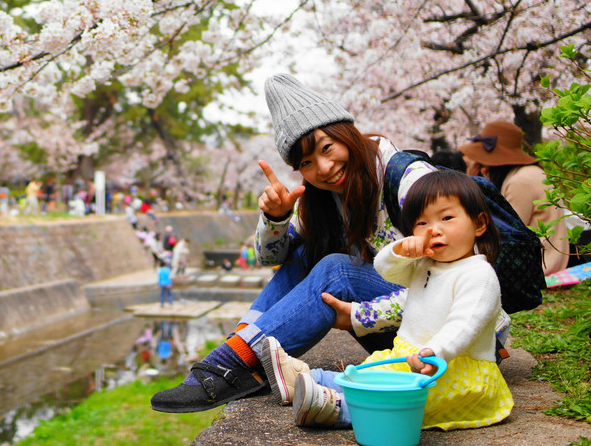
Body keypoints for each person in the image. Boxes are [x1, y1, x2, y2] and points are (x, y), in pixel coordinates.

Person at [151, 73, 437, 413]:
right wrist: (276, 219)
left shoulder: (408, 180)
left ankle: (236, 362)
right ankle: (237, 354)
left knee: (337, 270)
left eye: (327, 148)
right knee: (304, 253)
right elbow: (271, 257)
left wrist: (363, 315)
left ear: (347, 133)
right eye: (306, 163)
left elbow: (454, 285)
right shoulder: (322, 198)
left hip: (446, 335)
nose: (325, 168)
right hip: (399, 333)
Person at [268, 170, 513, 431]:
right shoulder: (425, 264)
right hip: (411, 357)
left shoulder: (478, 275)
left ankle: (336, 407)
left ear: (479, 224)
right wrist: (399, 251)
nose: (434, 230)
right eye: (422, 224)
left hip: (452, 370)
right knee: (367, 373)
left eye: (447, 218)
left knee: (401, 401)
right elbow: (386, 270)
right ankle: (306, 379)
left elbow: (464, 324)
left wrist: (436, 352)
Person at [459, 121, 569, 275]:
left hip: (538, 268)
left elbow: (504, 233)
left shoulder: (520, 182)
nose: (483, 168)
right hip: (550, 259)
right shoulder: (529, 173)